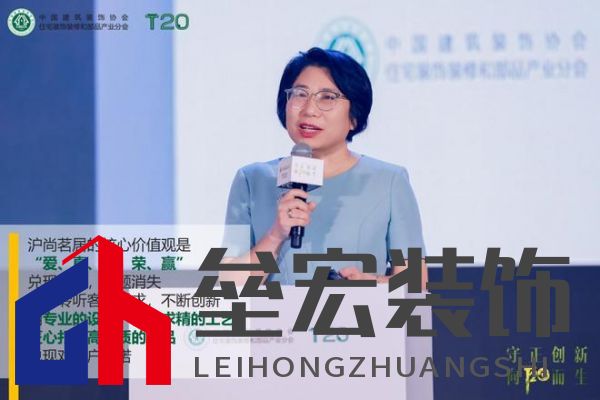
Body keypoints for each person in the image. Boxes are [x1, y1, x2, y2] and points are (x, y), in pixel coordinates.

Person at [222, 47, 427, 287]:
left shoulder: (389, 181)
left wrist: (373, 284)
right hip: (276, 313)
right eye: (300, 94)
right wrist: (275, 235)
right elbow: (229, 284)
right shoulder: (252, 180)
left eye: (328, 97)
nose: (309, 110)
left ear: (354, 117)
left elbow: (416, 283)